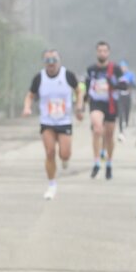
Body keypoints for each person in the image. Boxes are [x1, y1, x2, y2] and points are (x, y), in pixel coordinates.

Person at [22, 49, 83, 199]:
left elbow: (79, 91)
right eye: (48, 60)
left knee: (64, 154)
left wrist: (79, 106)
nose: (51, 63)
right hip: (47, 121)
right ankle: (51, 184)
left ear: (59, 61)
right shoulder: (39, 78)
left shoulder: (67, 75)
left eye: (54, 60)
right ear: (44, 62)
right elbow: (30, 95)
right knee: (49, 152)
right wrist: (27, 107)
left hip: (64, 121)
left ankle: (65, 160)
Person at [84, 40, 125, 180]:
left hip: (111, 104)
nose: (102, 53)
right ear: (96, 52)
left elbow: (124, 85)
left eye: (105, 51)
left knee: (109, 135)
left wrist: (114, 84)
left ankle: (109, 163)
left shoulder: (116, 69)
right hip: (96, 103)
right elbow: (87, 86)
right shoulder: (91, 69)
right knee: (97, 129)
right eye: (100, 51)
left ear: (108, 52)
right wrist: (81, 104)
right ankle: (96, 162)